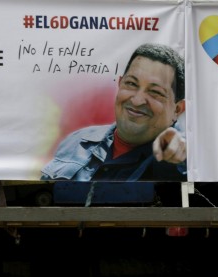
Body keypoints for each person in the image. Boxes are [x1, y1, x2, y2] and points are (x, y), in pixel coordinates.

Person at [41, 43, 187, 181]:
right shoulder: (75, 141)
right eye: (131, 83)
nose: (137, 100)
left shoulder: (178, 161)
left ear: (177, 109)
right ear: (119, 83)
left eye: (155, 92)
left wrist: (182, 154)